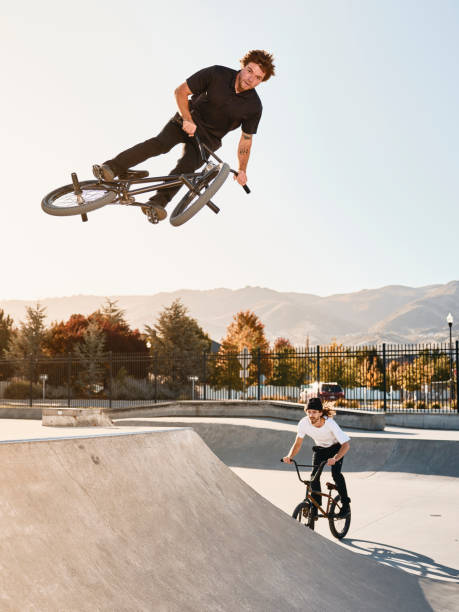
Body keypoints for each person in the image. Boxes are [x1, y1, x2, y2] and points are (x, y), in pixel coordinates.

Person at [94, 50, 275, 221]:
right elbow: (181, 91)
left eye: (258, 77)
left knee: (185, 171)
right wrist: (188, 120)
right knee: (161, 144)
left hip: (208, 140)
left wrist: (242, 169)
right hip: (187, 120)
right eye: (249, 71)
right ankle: (112, 167)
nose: (251, 78)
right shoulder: (217, 73)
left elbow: (246, 139)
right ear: (243, 66)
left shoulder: (254, 107)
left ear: (261, 81)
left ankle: (157, 203)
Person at [283, 397, 351, 519]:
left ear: (320, 412)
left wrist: (335, 458)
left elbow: (346, 445)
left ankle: (345, 505)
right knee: (313, 477)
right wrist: (289, 456)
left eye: (314, 412)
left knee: (336, 474)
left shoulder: (330, 423)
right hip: (320, 450)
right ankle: (315, 505)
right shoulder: (304, 423)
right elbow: (298, 443)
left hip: (336, 449)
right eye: (309, 412)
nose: (311, 415)